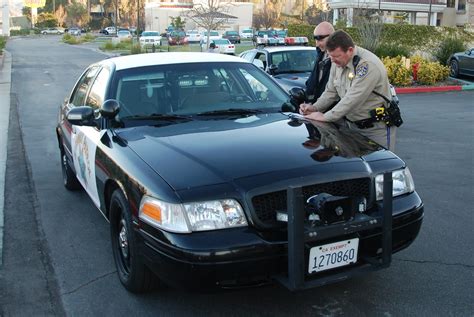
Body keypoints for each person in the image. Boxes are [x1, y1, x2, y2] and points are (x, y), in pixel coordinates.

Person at [299, 30, 397, 151]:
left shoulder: (367, 65)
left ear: (350, 50)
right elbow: (331, 92)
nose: (333, 60)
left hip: (375, 130)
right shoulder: (337, 61)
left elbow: (352, 99)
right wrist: (314, 108)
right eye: (330, 56)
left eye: (336, 56)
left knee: (380, 166)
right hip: (351, 127)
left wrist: (325, 117)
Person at [305, 21, 335, 103]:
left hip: (331, 109)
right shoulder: (320, 54)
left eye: (320, 39)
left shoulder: (340, 59)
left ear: (332, 37)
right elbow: (314, 80)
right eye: (315, 39)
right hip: (317, 106)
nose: (317, 44)